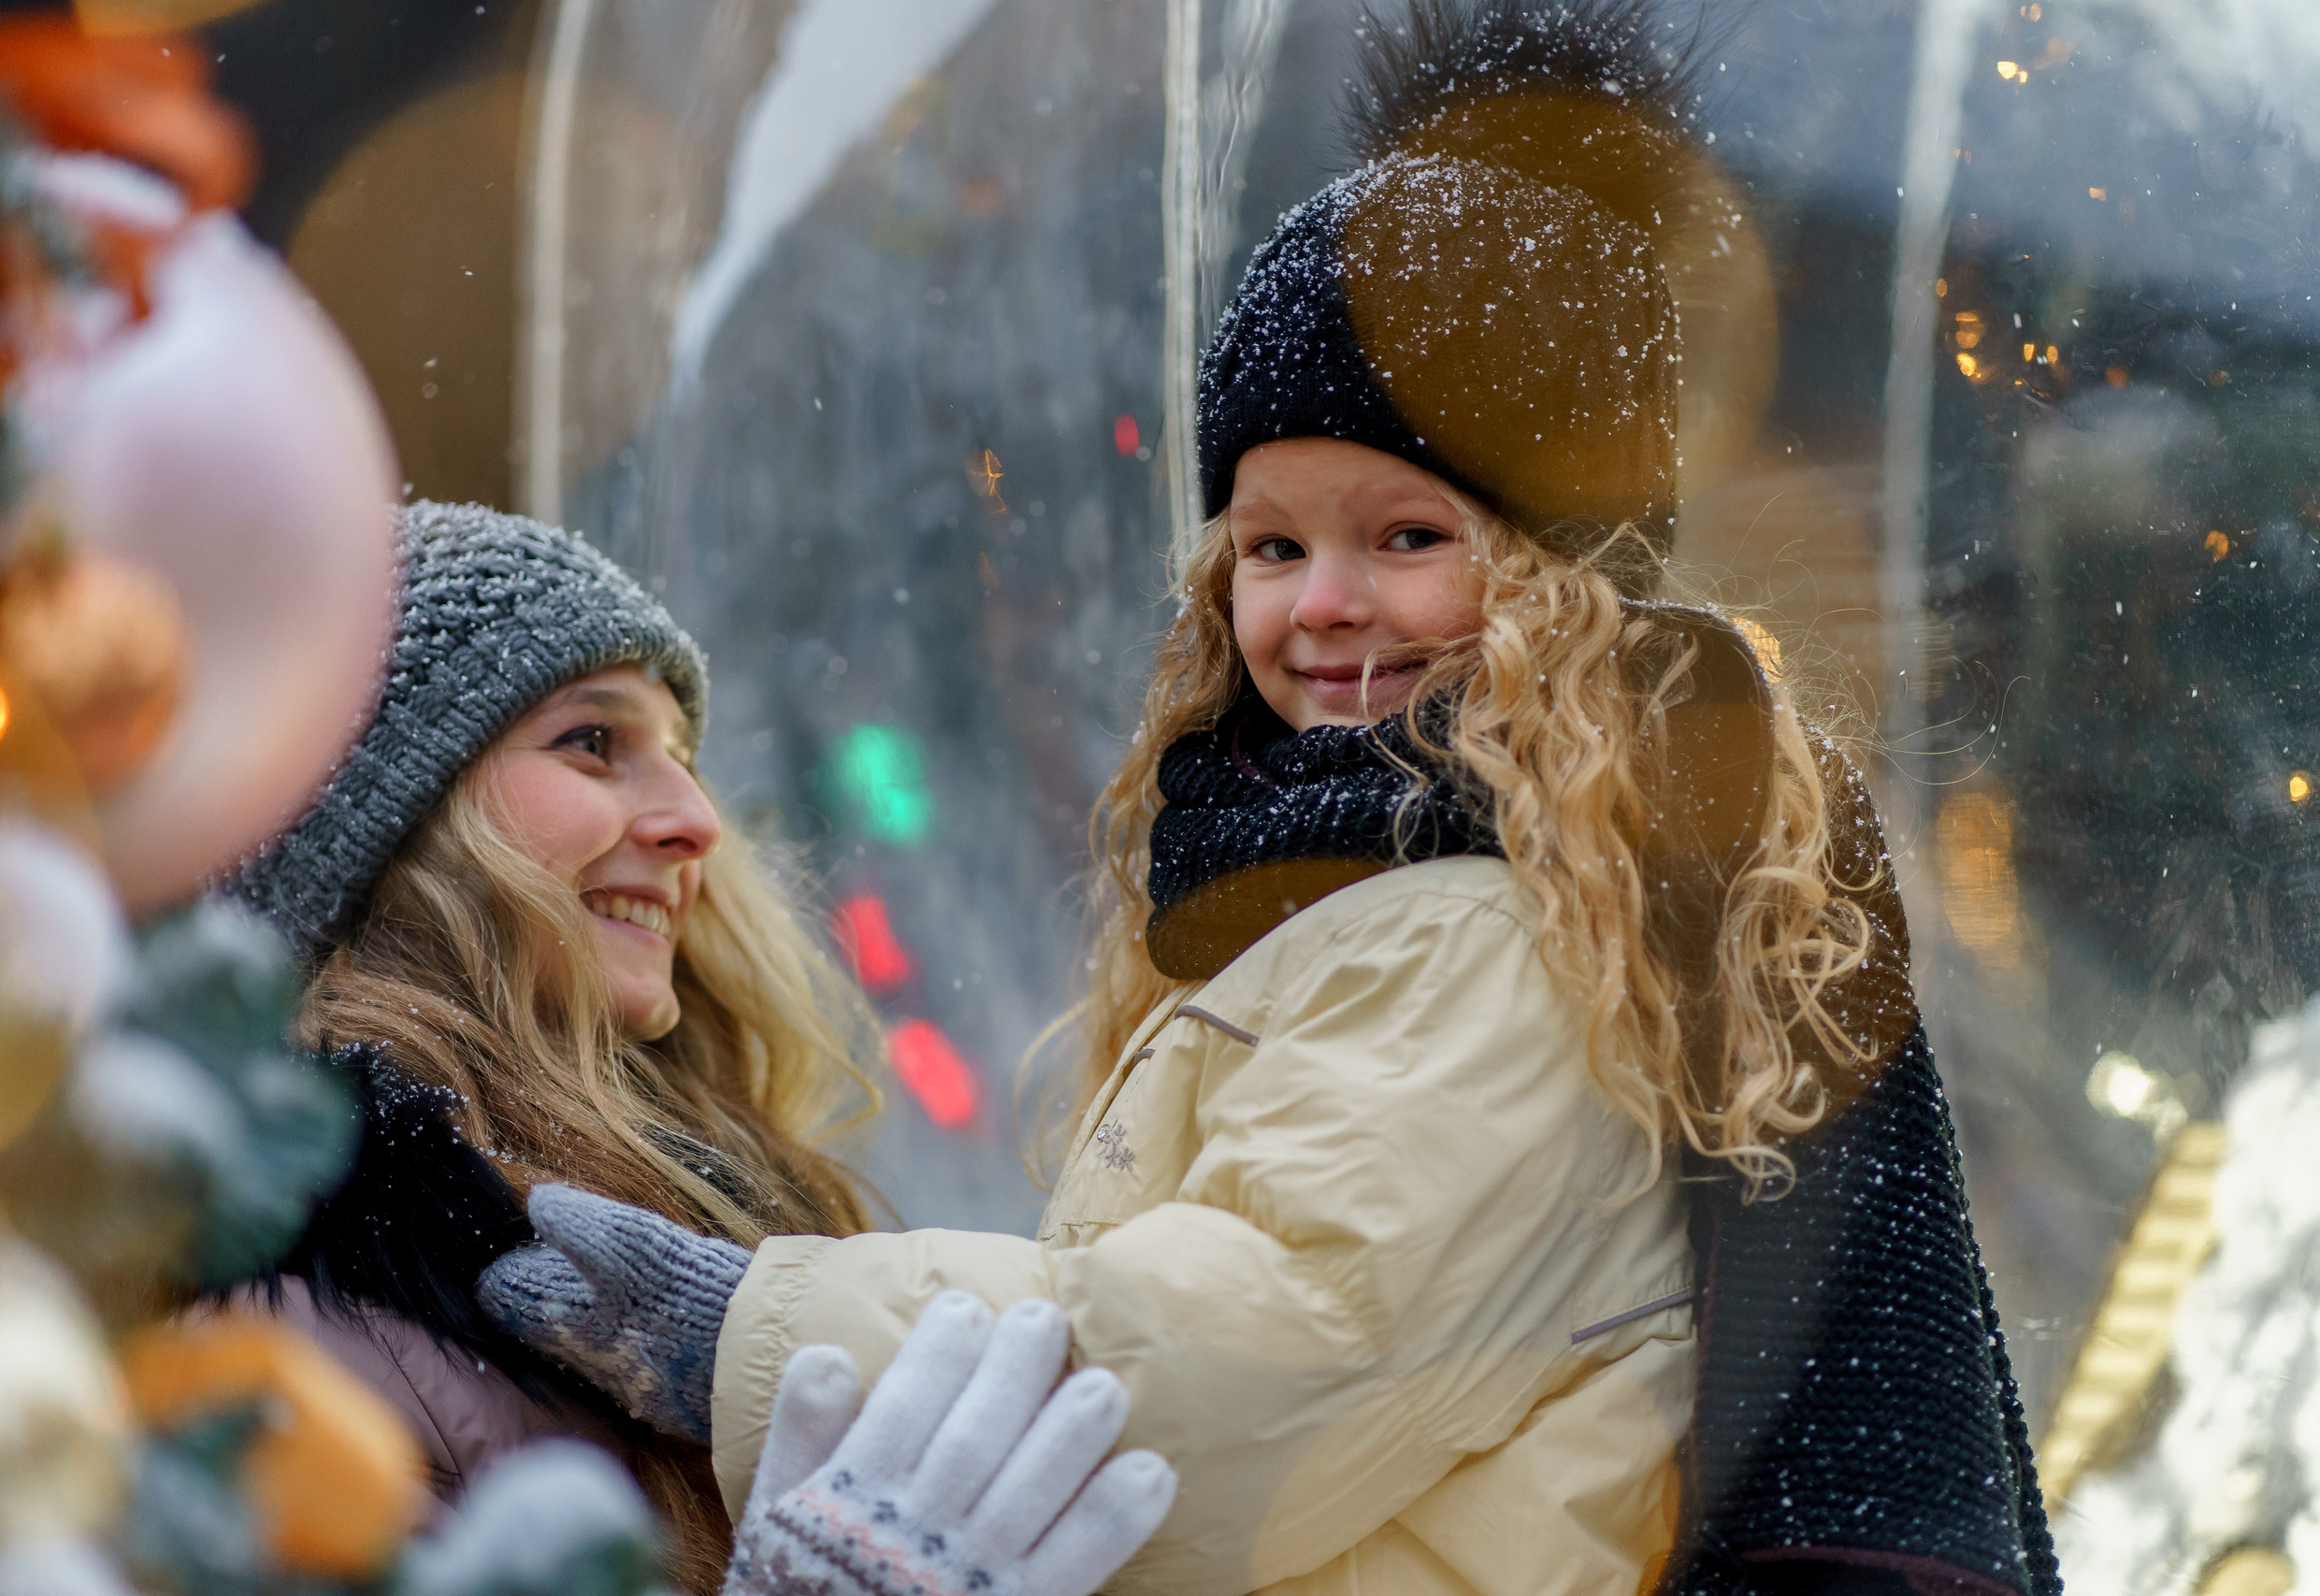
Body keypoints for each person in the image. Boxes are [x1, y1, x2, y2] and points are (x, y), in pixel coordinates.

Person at [478, 4, 2060, 1595]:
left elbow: (1244, 1358)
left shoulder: (1496, 935)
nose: (1323, 605)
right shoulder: (1378, 883)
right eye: (1275, 543)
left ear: (1568, 569)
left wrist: (753, 1331)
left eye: (1410, 536)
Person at [223, 501, 1172, 1596]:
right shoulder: (293, 1335)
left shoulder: (695, 1206)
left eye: (678, 755)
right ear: (379, 811)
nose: (695, 818)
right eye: (593, 741)